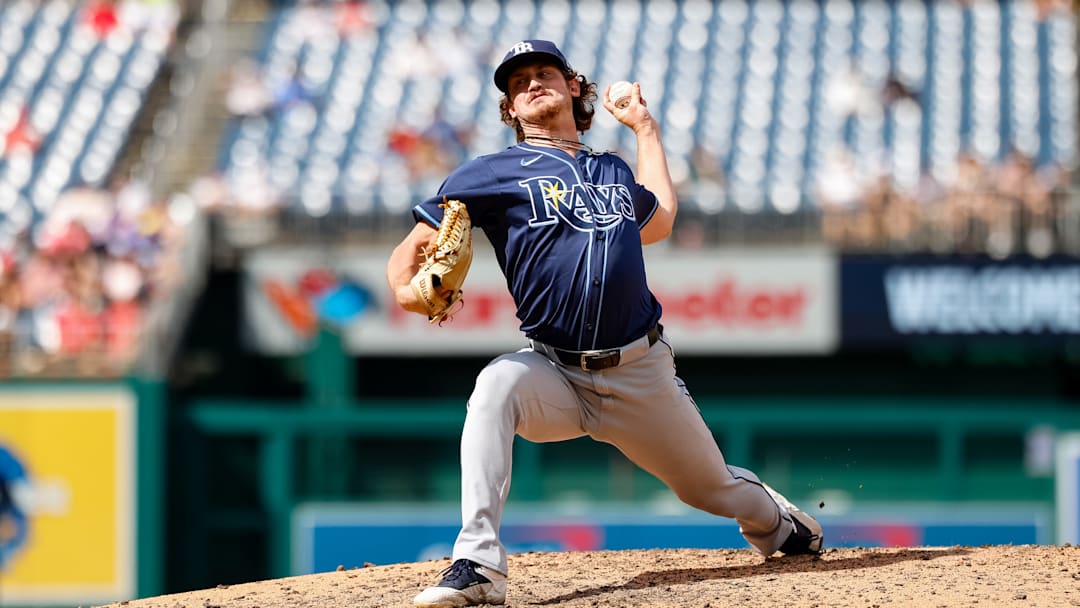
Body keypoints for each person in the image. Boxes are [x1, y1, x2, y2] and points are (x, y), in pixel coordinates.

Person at [386, 40, 823, 608]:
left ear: (573, 87)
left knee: (711, 488)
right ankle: (479, 563)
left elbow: (659, 220)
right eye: (517, 83)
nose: (531, 84)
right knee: (496, 384)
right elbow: (411, 250)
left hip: (640, 371)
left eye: (544, 73)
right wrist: (408, 292)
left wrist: (644, 128)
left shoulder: (611, 168)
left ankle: (778, 524)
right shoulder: (490, 173)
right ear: (510, 109)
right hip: (555, 373)